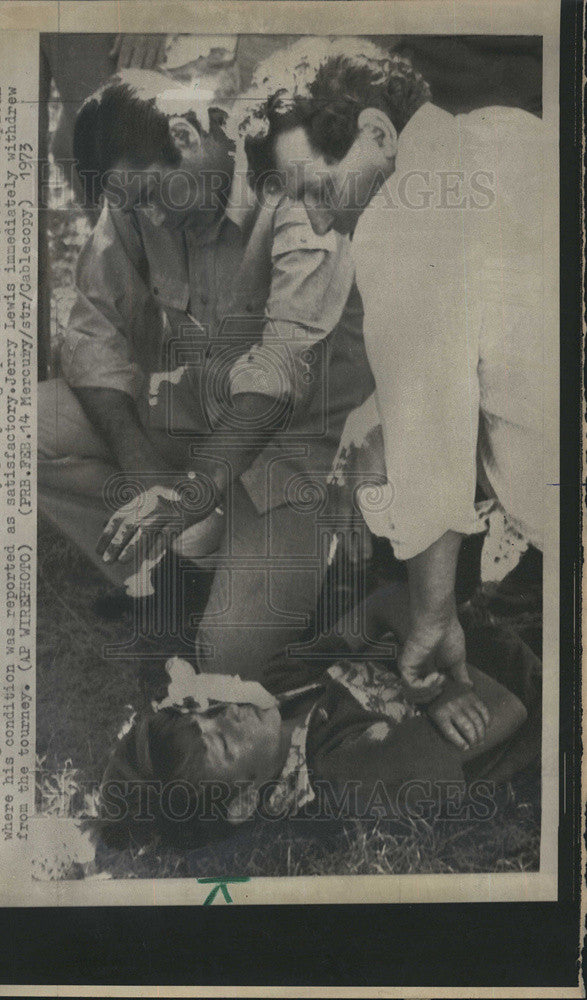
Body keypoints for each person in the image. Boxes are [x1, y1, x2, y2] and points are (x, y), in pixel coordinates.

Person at [37, 67, 374, 677]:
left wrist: (189, 490)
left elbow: (277, 378)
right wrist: (138, 461)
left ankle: (323, 568)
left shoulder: (293, 184)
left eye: (147, 194)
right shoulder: (141, 195)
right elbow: (92, 331)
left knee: (227, 660)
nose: (148, 218)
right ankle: (175, 567)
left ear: (187, 136)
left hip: (299, 443)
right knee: (28, 426)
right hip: (207, 406)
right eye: (131, 202)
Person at [239, 37, 545, 700]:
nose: (320, 219)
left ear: (376, 131)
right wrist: (380, 406)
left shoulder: (396, 214)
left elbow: (430, 442)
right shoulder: (509, 129)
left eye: (318, 189)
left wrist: (432, 617)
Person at [97, 582, 540, 847]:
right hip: (541, 684)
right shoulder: (347, 774)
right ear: (245, 800)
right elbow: (508, 710)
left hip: (495, 629)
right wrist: (446, 686)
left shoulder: (285, 684)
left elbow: (385, 601)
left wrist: (429, 650)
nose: (227, 712)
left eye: (203, 714)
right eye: (225, 744)